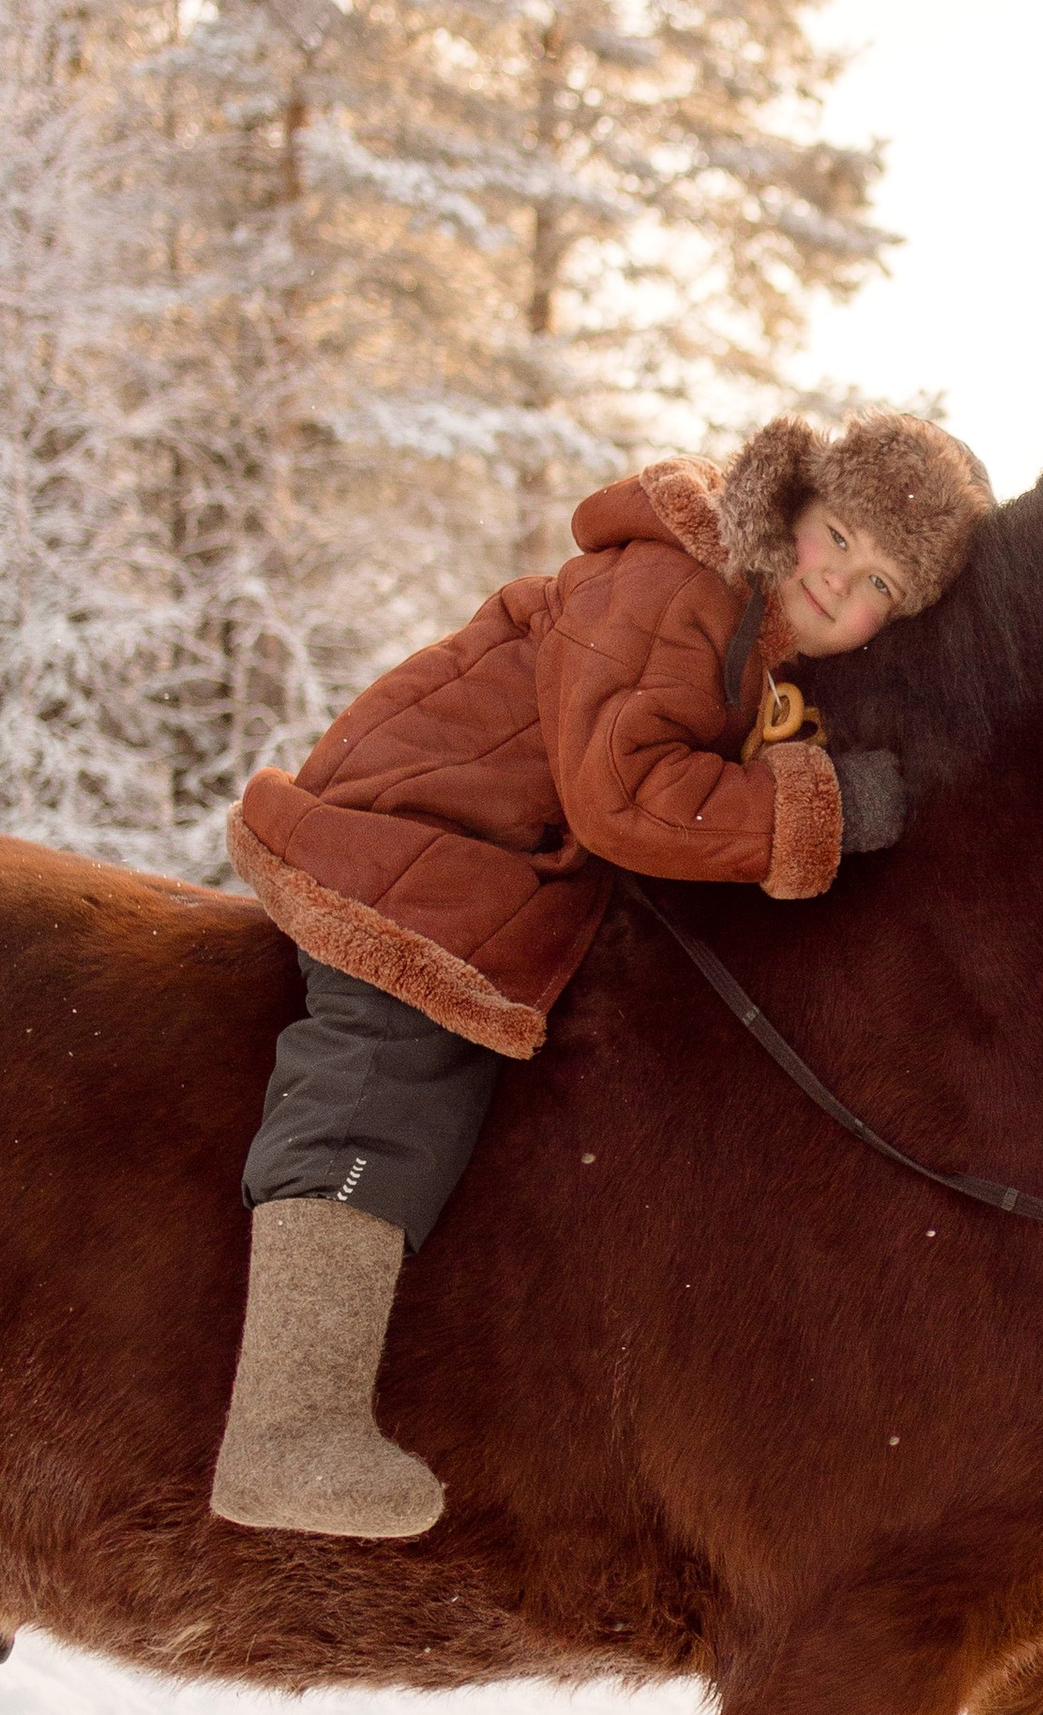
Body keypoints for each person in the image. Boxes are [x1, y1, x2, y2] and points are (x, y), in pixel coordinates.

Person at [210, 408, 990, 1546]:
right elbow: (624, 794)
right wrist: (819, 807)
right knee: (387, 1072)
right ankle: (288, 1422)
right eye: (838, 536)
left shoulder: (752, 629)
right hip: (412, 836)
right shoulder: (679, 587)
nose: (840, 582)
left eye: (879, 583)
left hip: (502, 856)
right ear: (791, 501)